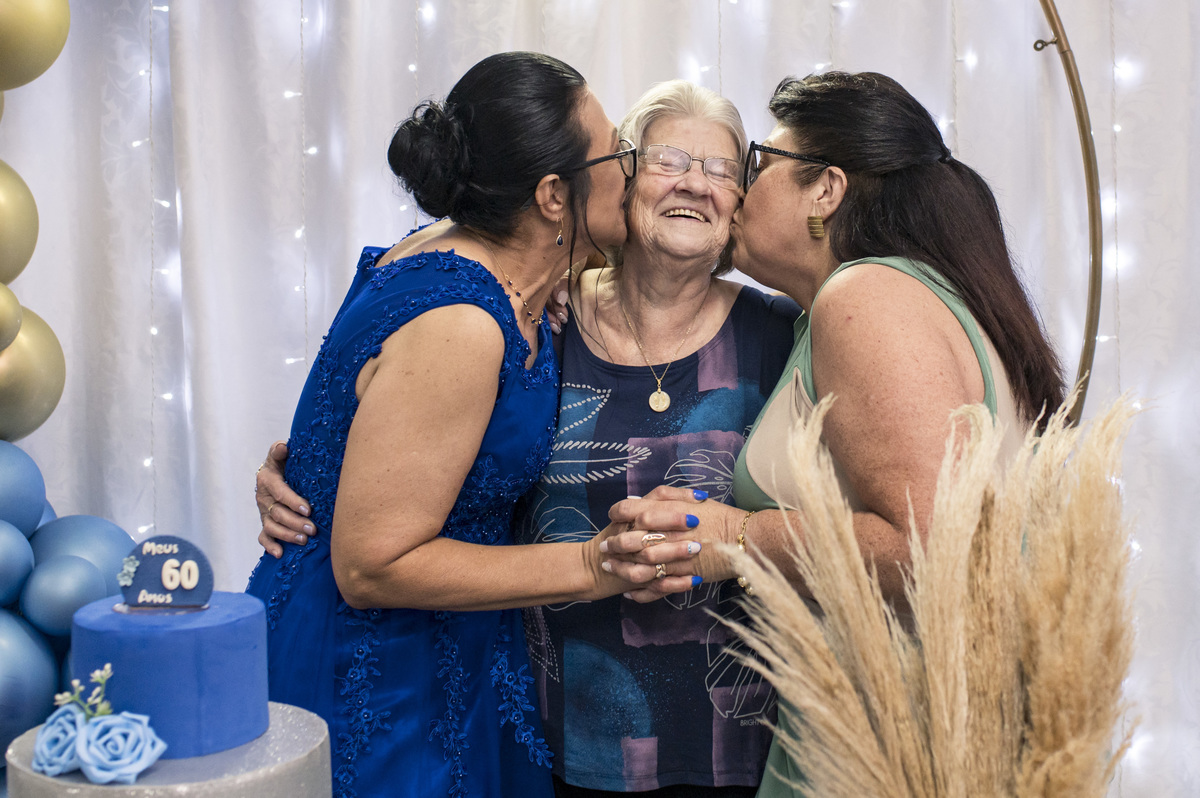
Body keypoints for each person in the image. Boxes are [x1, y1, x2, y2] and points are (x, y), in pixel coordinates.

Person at [256, 80, 800, 797]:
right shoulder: (509, 311)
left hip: (713, 730)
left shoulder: (772, 331)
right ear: (562, 193)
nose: (693, 184)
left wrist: (324, 470)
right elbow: (389, 442)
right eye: (641, 157)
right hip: (456, 691)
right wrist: (313, 477)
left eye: (723, 169)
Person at [597, 71, 1066, 796]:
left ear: (826, 190)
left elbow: (929, 547)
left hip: (895, 744)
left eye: (759, 165)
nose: (740, 191)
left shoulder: (866, 297)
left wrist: (732, 537)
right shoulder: (879, 299)